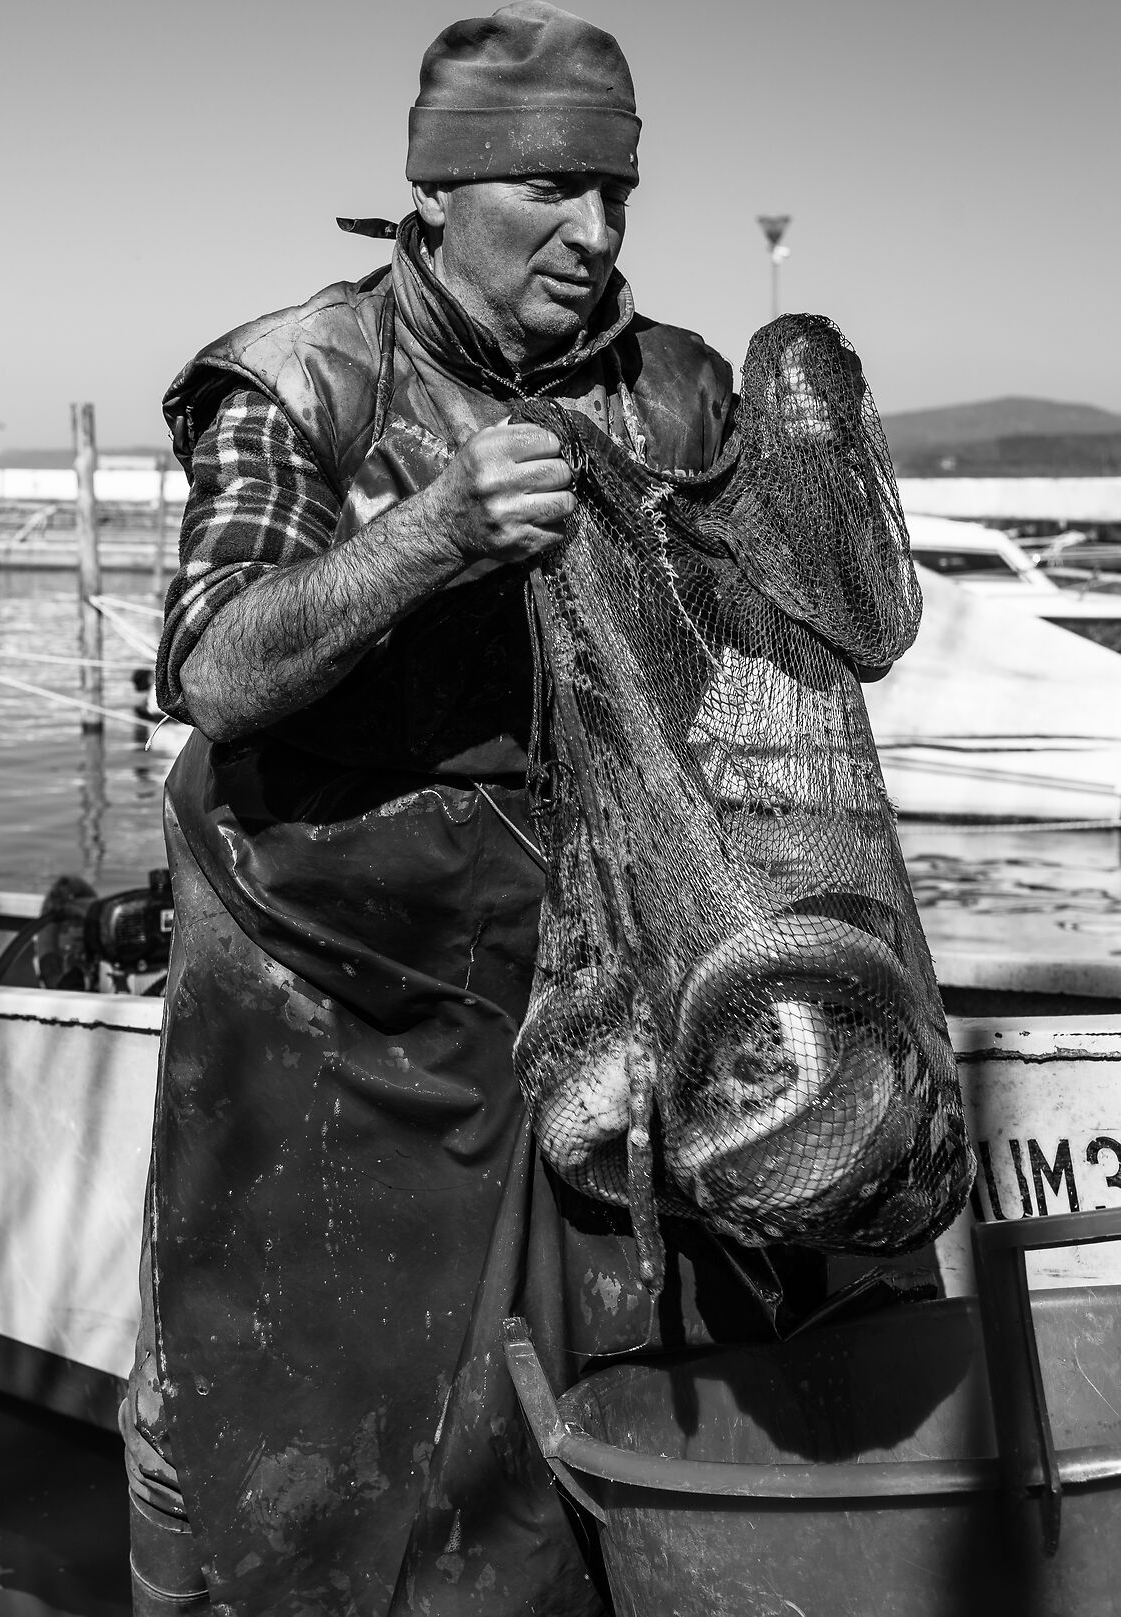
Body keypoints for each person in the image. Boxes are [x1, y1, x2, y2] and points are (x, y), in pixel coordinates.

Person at [127, 6, 831, 1613]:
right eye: (554, 190)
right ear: (437, 196)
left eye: (620, 196)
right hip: (321, 1028)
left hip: (582, 1007)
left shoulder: (675, 393)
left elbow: (767, 688)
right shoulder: (306, 374)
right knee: (286, 1456)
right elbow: (214, 664)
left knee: (579, 1450)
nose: (596, 233)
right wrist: (434, 530)